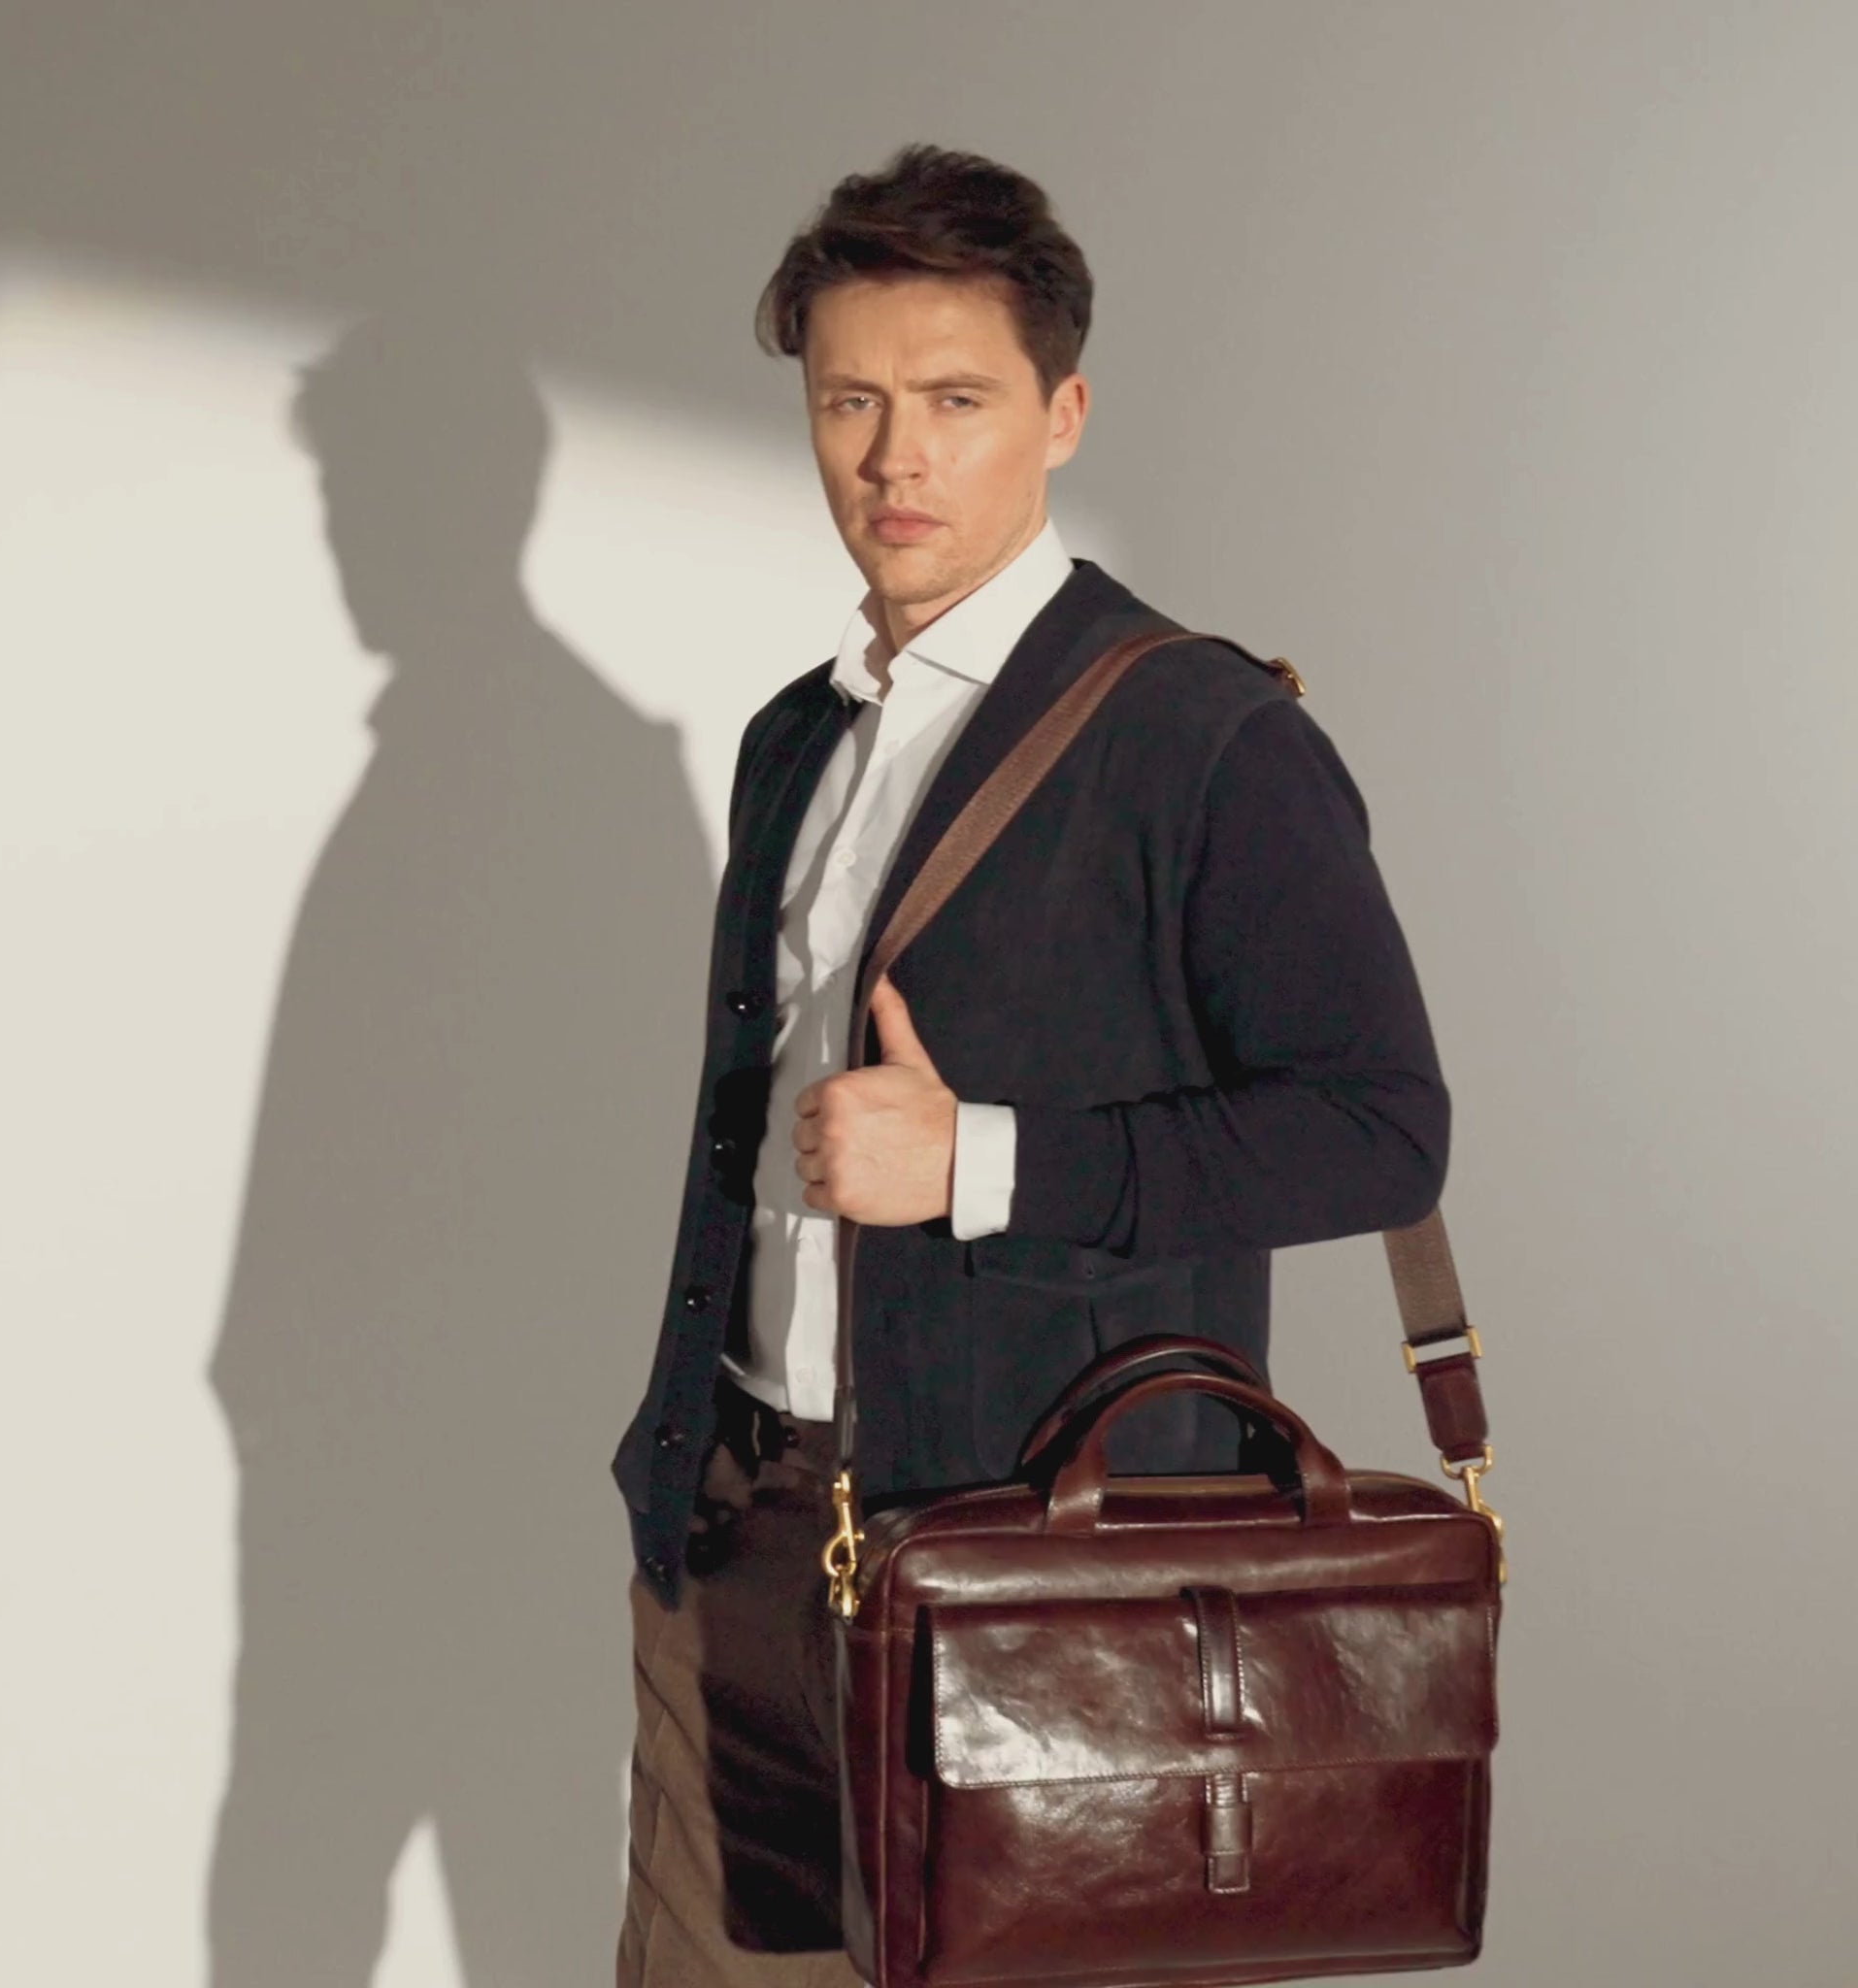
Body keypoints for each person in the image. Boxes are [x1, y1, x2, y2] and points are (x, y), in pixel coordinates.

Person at [609, 143, 1449, 1988]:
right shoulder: (793, 741)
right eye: (851, 402)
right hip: (742, 1531)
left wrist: (979, 1162)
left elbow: (1381, 1132)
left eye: (956, 400)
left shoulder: (1205, 739)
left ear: (1063, 415)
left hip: (1035, 1585)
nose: (894, 460)